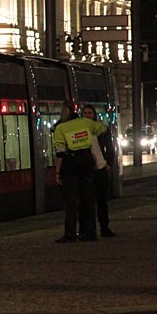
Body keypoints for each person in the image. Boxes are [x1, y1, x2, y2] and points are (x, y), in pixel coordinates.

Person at [52, 100, 105, 243]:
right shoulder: (86, 123)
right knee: (88, 199)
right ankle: (91, 232)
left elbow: (60, 153)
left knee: (71, 201)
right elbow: (102, 128)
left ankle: (70, 234)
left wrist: (57, 173)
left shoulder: (60, 128)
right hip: (86, 162)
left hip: (70, 164)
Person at [82, 104, 116, 237]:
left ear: (94, 115)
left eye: (89, 113)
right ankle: (88, 229)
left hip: (101, 169)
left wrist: (108, 164)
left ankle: (104, 227)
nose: (87, 115)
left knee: (102, 200)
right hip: (87, 169)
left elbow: (109, 148)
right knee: (87, 201)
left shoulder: (102, 129)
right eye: (85, 113)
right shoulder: (80, 130)